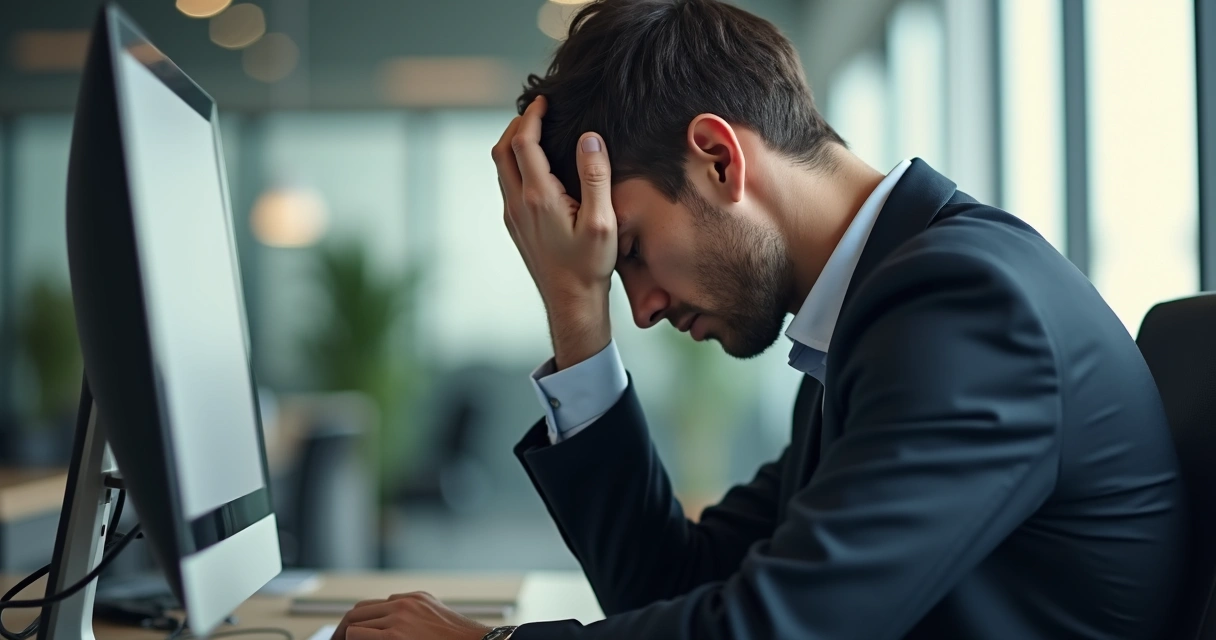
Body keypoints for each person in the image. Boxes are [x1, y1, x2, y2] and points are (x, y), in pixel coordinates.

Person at [332, 0, 1189, 638]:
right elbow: (669, 584)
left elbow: (781, 630)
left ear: (717, 158)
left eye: (627, 249)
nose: (643, 305)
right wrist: (575, 312)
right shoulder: (879, 308)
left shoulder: (962, 308)